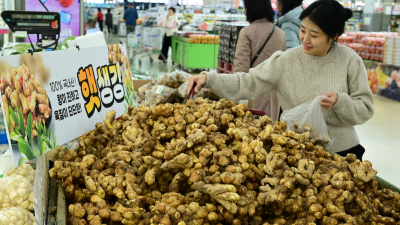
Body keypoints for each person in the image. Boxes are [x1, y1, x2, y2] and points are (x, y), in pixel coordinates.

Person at [187, 0, 374, 160]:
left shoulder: (349, 60)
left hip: (343, 153)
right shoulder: (286, 61)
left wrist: (340, 101)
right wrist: (208, 78)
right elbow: (247, 82)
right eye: (302, 30)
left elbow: (365, 108)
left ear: (333, 36)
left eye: (314, 35)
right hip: (296, 154)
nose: (305, 39)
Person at [233, 0, 286, 121]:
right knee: (271, 131)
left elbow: (241, 69)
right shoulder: (280, 33)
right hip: (275, 95)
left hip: (254, 92)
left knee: (254, 130)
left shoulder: (246, 32)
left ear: (250, 10)